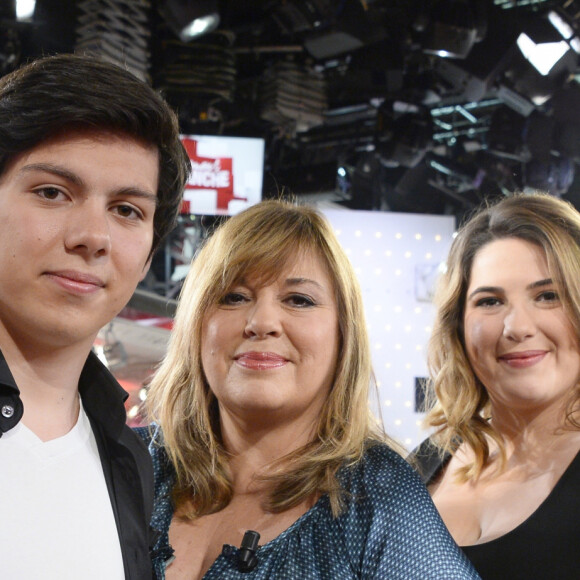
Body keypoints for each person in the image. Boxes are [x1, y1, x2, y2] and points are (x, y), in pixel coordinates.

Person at [137, 199, 479, 579]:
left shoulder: (379, 496)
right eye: (234, 296)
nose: (261, 322)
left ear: (342, 336)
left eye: (299, 300)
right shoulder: (131, 464)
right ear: (195, 325)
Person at [0, 53, 191, 579]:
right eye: (52, 193)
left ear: (151, 250)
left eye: (128, 209)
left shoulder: (130, 459)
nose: (93, 237)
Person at [413, 192, 580, 579]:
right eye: (490, 302)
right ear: (458, 323)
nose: (517, 327)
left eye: (548, 296)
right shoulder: (427, 460)